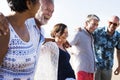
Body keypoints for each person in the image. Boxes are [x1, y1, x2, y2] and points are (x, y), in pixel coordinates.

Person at [0, 0, 41, 80]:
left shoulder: (28, 26)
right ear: (29, 3)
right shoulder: (4, 29)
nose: (40, 5)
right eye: (39, 1)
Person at [69, 14, 100, 80]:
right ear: (86, 23)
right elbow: (67, 44)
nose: (95, 27)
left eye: (97, 25)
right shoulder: (78, 33)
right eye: (93, 24)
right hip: (81, 70)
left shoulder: (91, 36)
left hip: (91, 71)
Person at [93, 16, 120, 80]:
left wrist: (119, 66)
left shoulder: (118, 36)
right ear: (107, 22)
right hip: (95, 66)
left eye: (115, 24)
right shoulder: (97, 31)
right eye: (111, 23)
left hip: (108, 67)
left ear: (118, 25)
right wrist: (80, 29)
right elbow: (86, 34)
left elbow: (119, 51)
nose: (112, 25)